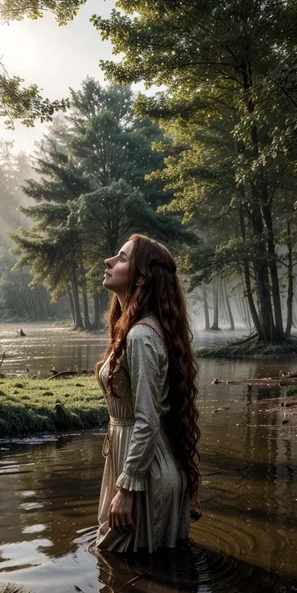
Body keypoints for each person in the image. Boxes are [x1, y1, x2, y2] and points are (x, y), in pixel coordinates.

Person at [95, 234, 201, 553]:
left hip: (144, 475)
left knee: (126, 569)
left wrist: (126, 488)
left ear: (141, 277)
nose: (108, 261)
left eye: (122, 257)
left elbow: (147, 420)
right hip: (141, 466)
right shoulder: (139, 328)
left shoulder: (140, 336)